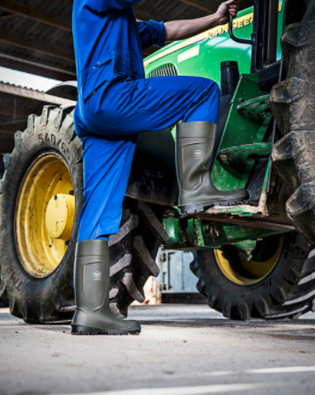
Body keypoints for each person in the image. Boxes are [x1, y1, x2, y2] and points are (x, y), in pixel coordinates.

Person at [71, 0, 248, 335]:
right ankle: (195, 185)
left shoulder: (122, 23)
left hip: (96, 114)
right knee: (202, 93)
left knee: (97, 210)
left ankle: (90, 311)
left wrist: (214, 17)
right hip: (114, 97)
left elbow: (169, 30)